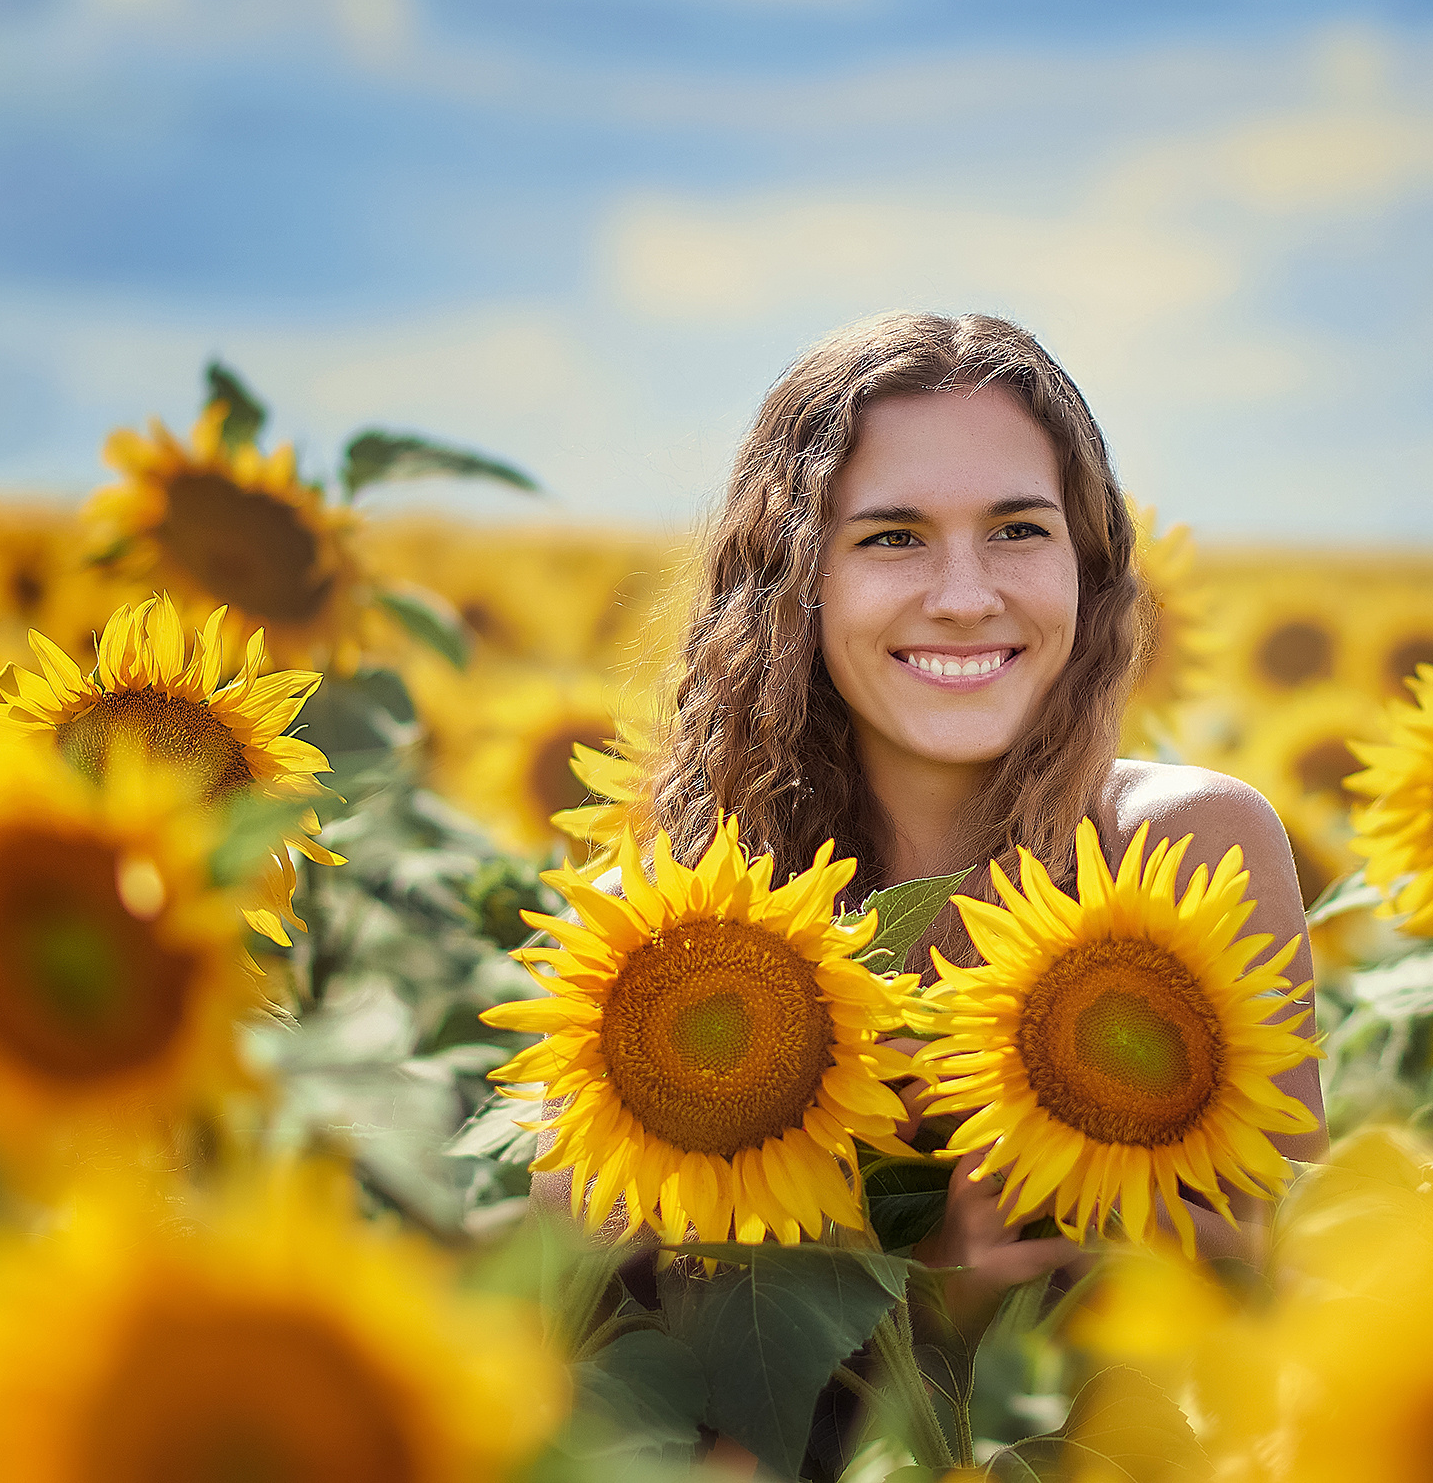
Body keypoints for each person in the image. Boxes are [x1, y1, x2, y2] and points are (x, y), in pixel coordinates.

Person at [537, 309, 1328, 1466]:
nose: (965, 595)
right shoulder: (674, 922)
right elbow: (565, 1345)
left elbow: (1252, 1325)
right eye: (893, 538)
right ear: (794, 579)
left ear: (1088, 567)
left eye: (1018, 529)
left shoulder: (1183, 853)